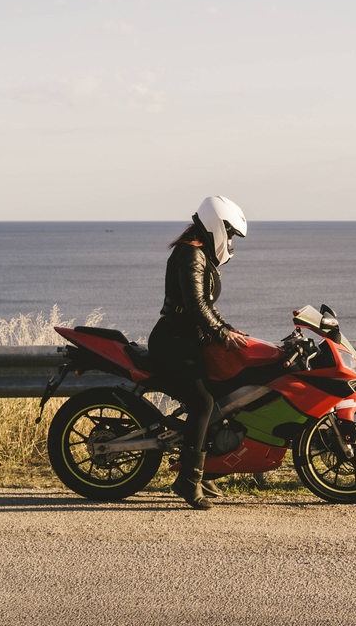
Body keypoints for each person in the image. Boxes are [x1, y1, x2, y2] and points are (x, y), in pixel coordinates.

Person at [147, 196, 249, 510]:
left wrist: (227, 328)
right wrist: (222, 332)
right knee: (203, 401)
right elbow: (196, 304)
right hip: (174, 340)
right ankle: (188, 480)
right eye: (229, 233)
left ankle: (207, 470)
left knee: (219, 395)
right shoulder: (191, 254)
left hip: (187, 339)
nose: (230, 241)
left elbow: (206, 306)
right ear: (217, 226)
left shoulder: (198, 252)